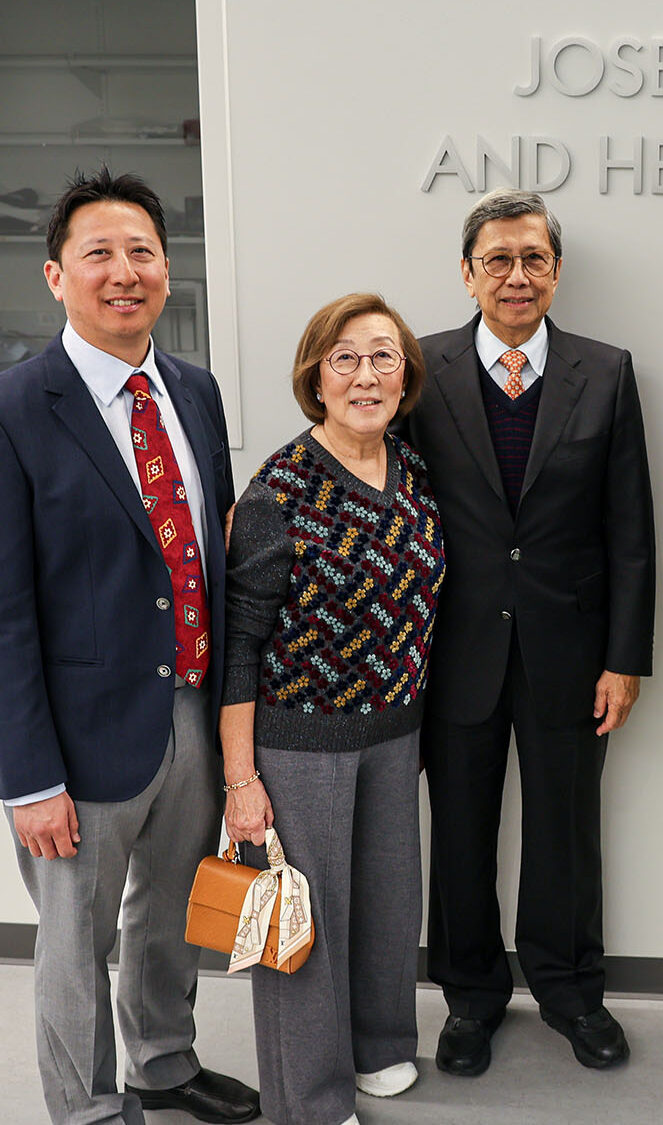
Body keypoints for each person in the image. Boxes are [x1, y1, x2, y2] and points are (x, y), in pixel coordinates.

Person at [0, 169, 260, 1125]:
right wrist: (27, 778)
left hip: (195, 710)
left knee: (169, 912)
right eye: (98, 255)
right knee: (75, 937)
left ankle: (164, 1060)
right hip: (78, 740)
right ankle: (85, 1109)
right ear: (55, 275)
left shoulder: (194, 395)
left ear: (167, 269)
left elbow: (215, 552)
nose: (124, 273)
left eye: (142, 253)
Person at [402, 188, 657, 1076]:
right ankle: (469, 997)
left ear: (556, 270)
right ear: (467, 272)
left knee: (566, 834)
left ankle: (570, 989)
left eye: (534, 259)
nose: (517, 276)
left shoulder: (607, 369)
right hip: (453, 654)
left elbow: (631, 530)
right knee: (461, 832)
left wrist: (625, 658)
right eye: (498, 260)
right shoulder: (417, 368)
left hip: (569, 653)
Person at [220, 293, 444, 1125]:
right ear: (315, 375)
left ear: (406, 374)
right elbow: (240, 645)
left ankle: (382, 1044)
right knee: (305, 926)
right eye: (344, 357)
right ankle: (308, 1099)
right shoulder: (278, 491)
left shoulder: (413, 468)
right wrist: (242, 780)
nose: (365, 374)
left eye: (383, 356)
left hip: (396, 731)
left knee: (388, 904)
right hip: (299, 742)